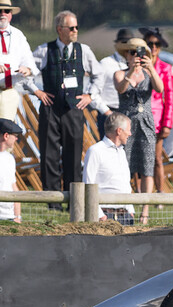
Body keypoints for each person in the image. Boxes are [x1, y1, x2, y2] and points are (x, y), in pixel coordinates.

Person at [28, 11, 103, 206]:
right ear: (59, 29)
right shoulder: (45, 50)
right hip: (50, 107)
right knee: (48, 154)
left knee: (73, 153)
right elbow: (27, 70)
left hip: (73, 108)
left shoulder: (83, 50)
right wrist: (36, 91)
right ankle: (52, 202)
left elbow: (99, 75)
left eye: (77, 27)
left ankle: (74, 201)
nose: (75, 31)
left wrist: (90, 96)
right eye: (71, 28)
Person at [114, 37, 163, 225]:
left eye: (139, 53)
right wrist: (131, 73)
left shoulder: (149, 74)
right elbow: (120, 89)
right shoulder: (119, 73)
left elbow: (160, 89)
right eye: (132, 52)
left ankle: (145, 210)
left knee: (147, 166)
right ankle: (126, 206)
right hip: (125, 124)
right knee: (124, 166)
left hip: (146, 123)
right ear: (126, 55)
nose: (136, 56)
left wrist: (150, 68)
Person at [139, 28, 173, 195]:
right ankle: (139, 193)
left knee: (156, 158)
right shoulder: (137, 64)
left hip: (157, 119)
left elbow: (170, 97)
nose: (153, 47)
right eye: (150, 44)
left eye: (157, 44)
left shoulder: (166, 68)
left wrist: (167, 123)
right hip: (138, 117)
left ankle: (160, 192)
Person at [83, 112, 135, 225]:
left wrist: (130, 210)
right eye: (128, 130)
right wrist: (100, 215)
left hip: (125, 216)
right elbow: (88, 183)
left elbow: (125, 184)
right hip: (105, 217)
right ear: (119, 131)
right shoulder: (95, 151)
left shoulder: (122, 152)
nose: (130, 134)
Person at [91, 29, 133, 138]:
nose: (127, 47)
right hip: (109, 113)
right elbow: (93, 92)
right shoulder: (106, 63)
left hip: (128, 113)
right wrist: (107, 112)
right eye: (124, 43)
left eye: (130, 43)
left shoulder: (135, 65)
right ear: (117, 45)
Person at [0, 0, 35, 121]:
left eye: (7, 11)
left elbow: (28, 59)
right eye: (0, 11)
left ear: (11, 14)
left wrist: (27, 69)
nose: (3, 14)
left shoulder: (18, 35)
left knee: (7, 134)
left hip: (10, 91)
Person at [0, 118, 22, 223]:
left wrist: (17, 216)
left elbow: (14, 187)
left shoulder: (10, 158)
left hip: (9, 217)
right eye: (15, 136)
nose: (16, 139)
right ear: (6, 136)